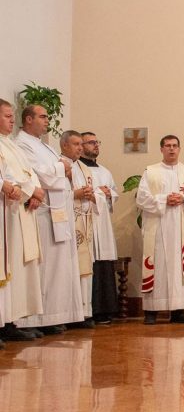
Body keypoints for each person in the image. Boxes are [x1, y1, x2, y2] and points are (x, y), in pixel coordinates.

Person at [16, 105, 84, 334]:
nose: (47, 120)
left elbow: (61, 172)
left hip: (57, 214)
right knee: (42, 268)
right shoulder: (22, 144)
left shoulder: (44, 145)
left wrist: (63, 169)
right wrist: (61, 167)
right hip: (42, 214)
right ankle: (34, 319)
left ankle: (51, 316)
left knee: (57, 268)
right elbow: (40, 174)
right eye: (43, 117)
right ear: (28, 119)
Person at [136, 135, 184, 325]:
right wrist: (165, 199)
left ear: (179, 149)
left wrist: (183, 198)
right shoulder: (151, 172)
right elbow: (142, 198)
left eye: (174, 146)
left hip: (180, 227)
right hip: (157, 227)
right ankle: (151, 311)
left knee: (178, 267)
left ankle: (178, 311)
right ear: (161, 149)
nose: (171, 149)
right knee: (156, 265)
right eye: (167, 146)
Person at [0, 99, 44, 342]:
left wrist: (34, 192)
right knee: (8, 267)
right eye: (7, 116)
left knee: (15, 269)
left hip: (18, 210)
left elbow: (28, 173)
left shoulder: (10, 144)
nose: (12, 120)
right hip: (9, 212)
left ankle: (11, 320)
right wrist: (31, 191)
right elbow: (10, 179)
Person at [80, 132, 120, 324]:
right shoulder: (76, 169)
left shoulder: (105, 171)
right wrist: (100, 192)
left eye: (97, 142)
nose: (96, 145)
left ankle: (105, 309)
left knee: (103, 264)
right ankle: (88, 311)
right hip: (85, 222)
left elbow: (113, 193)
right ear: (81, 146)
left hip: (102, 224)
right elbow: (81, 194)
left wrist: (108, 193)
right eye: (91, 142)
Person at [61, 130, 97, 328]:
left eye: (81, 145)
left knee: (85, 267)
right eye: (76, 144)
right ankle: (69, 313)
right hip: (68, 223)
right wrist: (76, 194)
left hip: (84, 221)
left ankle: (84, 312)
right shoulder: (59, 165)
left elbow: (92, 193)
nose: (80, 148)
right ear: (64, 145)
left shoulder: (83, 168)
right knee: (70, 269)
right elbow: (54, 193)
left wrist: (93, 195)